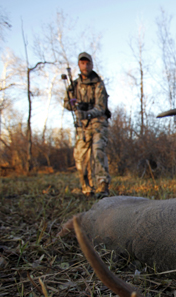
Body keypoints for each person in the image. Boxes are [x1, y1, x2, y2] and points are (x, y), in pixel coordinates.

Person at [63, 52, 111, 198]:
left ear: (92, 64)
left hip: (98, 123)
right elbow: (66, 103)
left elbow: (101, 107)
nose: (85, 65)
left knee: (98, 151)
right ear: (79, 65)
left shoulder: (98, 83)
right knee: (80, 157)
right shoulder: (74, 85)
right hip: (82, 126)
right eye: (82, 63)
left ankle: (102, 187)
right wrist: (74, 104)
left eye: (88, 63)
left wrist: (88, 112)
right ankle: (87, 189)